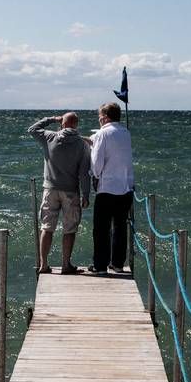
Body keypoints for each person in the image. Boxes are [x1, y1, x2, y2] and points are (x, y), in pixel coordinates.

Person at [27, 112, 92, 274]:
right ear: (76, 125)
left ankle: (44, 264)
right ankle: (65, 264)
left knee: (47, 227)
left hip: (50, 189)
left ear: (62, 123)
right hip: (71, 192)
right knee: (69, 229)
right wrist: (85, 194)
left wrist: (51, 119)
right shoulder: (82, 145)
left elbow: (32, 129)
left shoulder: (50, 137)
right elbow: (84, 173)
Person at [88, 101, 134, 275]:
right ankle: (117, 264)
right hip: (125, 187)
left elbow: (97, 162)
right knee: (120, 227)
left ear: (105, 117)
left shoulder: (103, 134)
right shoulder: (125, 133)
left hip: (107, 187)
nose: (99, 119)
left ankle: (100, 265)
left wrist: (95, 176)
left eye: (100, 116)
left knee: (101, 229)